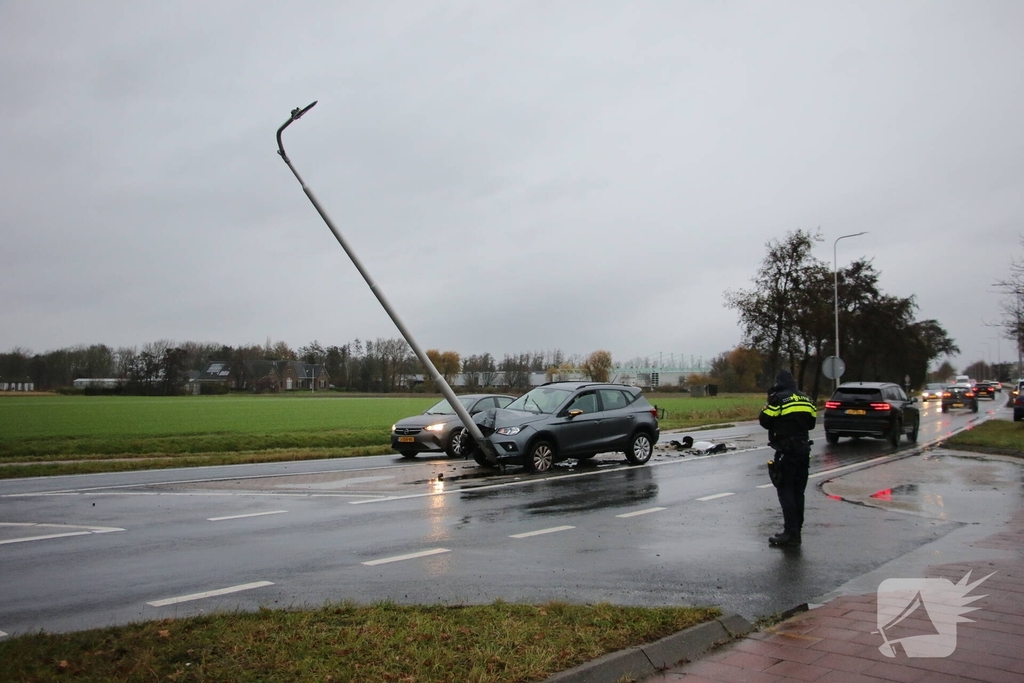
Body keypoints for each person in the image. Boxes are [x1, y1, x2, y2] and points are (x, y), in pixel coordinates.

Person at [759, 370, 817, 547]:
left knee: (786, 492)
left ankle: (790, 533)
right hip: (803, 450)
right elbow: (812, 423)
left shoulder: (779, 399)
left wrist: (769, 402)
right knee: (799, 492)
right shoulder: (806, 399)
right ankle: (796, 531)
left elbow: (765, 420)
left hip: (787, 451)